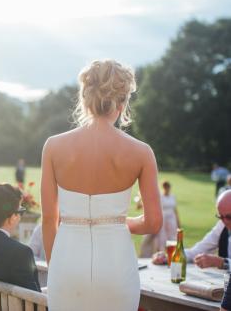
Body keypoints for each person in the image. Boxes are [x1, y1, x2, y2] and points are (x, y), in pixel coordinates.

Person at [41, 59, 162, 311]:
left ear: (84, 99)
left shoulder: (53, 146)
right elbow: (153, 223)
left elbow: (49, 219)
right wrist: (116, 221)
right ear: (122, 102)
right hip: (117, 267)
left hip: (67, 264)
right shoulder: (141, 152)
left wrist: (56, 268)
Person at [153, 190, 231, 270]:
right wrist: (169, 257)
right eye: (220, 216)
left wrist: (222, 262)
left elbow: (220, 262)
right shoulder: (222, 226)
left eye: (229, 217)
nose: (224, 221)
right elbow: (196, 251)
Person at [139, 181, 180, 257]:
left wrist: (178, 221)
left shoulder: (172, 196)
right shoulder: (159, 196)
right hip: (162, 218)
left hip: (171, 219)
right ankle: (160, 253)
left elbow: (175, 209)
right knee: (161, 237)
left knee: (172, 237)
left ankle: (172, 254)